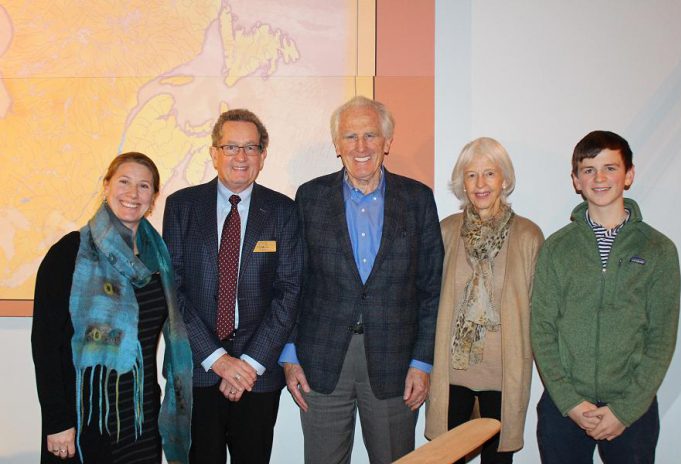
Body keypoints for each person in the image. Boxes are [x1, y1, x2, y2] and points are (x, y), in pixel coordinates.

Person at [280, 96, 444, 464]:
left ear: (387, 142)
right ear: (337, 146)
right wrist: (290, 356)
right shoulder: (309, 197)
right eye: (350, 137)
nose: (361, 147)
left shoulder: (418, 199)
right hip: (320, 360)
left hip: (396, 362)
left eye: (371, 135)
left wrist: (422, 362)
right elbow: (294, 283)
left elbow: (432, 288)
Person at [31, 152, 193, 464]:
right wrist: (57, 421)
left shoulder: (157, 259)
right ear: (107, 186)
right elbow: (46, 345)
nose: (133, 194)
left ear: (153, 197)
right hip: (86, 415)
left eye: (144, 186)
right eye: (124, 182)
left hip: (141, 412)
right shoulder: (70, 254)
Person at [531, 130, 681, 464]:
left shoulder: (658, 250)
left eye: (610, 168)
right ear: (576, 180)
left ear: (628, 175)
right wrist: (571, 402)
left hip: (631, 409)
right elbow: (541, 329)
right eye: (588, 169)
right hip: (564, 407)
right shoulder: (557, 248)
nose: (599, 178)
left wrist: (624, 410)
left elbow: (661, 338)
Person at [163, 109, 302, 464]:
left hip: (258, 373)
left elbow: (289, 292)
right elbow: (171, 291)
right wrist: (218, 360)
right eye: (231, 147)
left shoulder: (284, 211)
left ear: (263, 156)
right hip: (198, 368)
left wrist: (249, 363)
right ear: (214, 153)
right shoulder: (181, 207)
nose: (241, 157)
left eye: (251, 148)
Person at [425, 137, 544, 463]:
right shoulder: (446, 231)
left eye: (489, 174)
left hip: (502, 375)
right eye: (471, 175)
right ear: (462, 182)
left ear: (504, 179)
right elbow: (427, 300)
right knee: (447, 458)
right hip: (452, 374)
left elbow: (538, 311)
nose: (480, 184)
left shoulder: (528, 236)